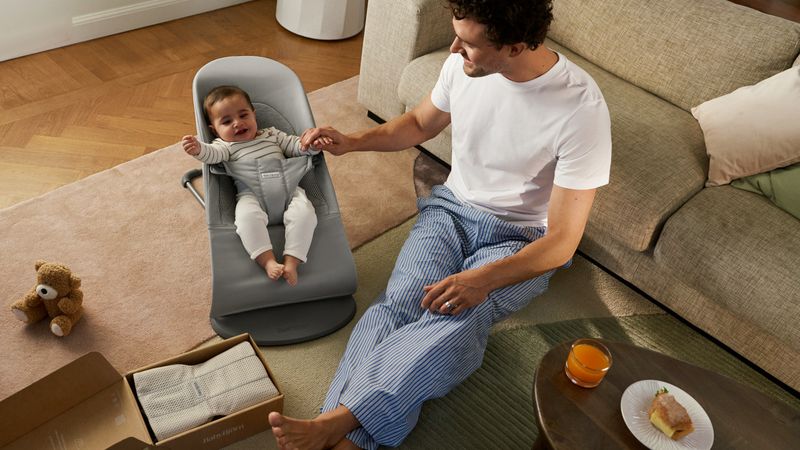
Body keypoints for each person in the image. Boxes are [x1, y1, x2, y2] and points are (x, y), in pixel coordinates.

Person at [269, 0, 612, 448]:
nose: (453, 48)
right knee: (401, 303)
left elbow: (563, 242)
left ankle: (340, 425)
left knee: (459, 316)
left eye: (468, 43)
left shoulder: (580, 108)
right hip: (451, 210)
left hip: (521, 239)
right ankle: (347, 430)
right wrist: (351, 142)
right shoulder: (463, 66)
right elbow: (417, 123)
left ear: (514, 46)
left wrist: (481, 280)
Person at [181, 86, 327, 286]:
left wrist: (309, 145)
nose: (237, 123)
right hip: (251, 194)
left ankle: (292, 261)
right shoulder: (224, 146)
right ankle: (267, 261)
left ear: (254, 115)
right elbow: (211, 155)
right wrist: (198, 148)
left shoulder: (272, 134)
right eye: (226, 121)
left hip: (290, 190)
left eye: (243, 115)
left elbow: (294, 147)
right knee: (245, 220)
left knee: (306, 214)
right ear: (214, 129)